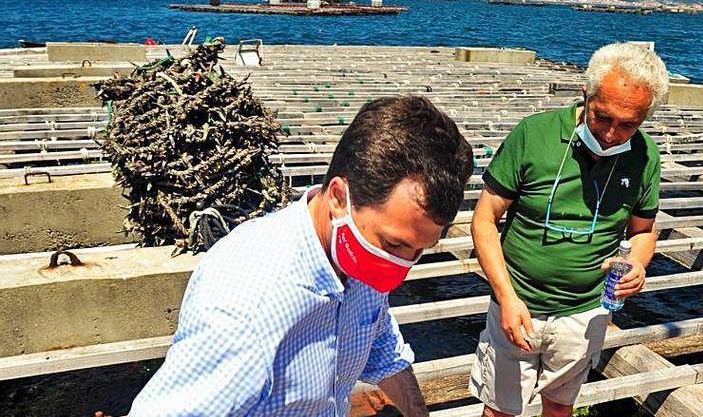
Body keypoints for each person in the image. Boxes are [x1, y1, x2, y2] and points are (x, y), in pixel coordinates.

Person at [129, 96, 474, 416]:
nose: (400, 269)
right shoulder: (248, 305)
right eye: (393, 245)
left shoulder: (359, 258)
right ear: (339, 198)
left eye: (418, 252)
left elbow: (383, 349)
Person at [468, 43, 668, 416]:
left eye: (628, 125)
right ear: (585, 95)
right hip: (518, 301)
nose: (611, 134)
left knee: (560, 407)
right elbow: (484, 218)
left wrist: (639, 264)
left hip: (586, 311)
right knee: (499, 410)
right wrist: (506, 297)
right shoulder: (534, 135)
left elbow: (643, 229)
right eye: (602, 117)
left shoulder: (645, 156)